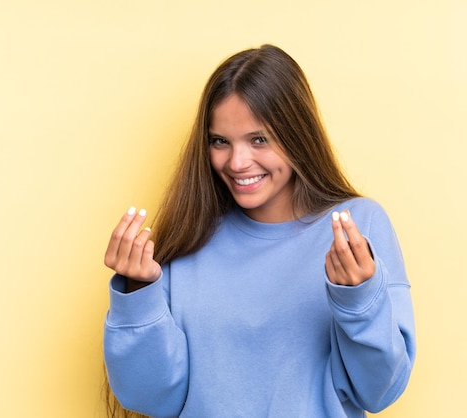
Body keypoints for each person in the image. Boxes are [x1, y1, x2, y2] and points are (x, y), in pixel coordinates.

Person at [103, 44, 416, 418]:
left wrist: (359, 300)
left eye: (259, 139)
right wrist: (137, 295)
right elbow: (150, 398)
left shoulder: (357, 226)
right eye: (220, 141)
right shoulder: (191, 236)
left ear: (298, 135)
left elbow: (379, 391)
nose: (237, 162)